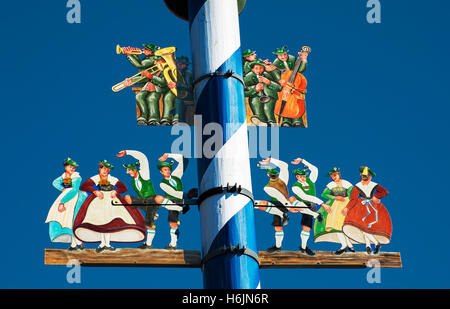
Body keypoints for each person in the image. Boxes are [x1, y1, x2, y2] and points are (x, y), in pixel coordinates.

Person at [73, 160, 146, 253]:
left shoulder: (112, 179)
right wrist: (95, 191)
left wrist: (116, 191)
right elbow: (84, 186)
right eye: (104, 169)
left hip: (111, 201)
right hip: (98, 201)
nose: (106, 171)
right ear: (100, 168)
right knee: (100, 221)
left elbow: (123, 188)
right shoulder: (95, 178)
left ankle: (107, 244)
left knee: (109, 222)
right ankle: (102, 243)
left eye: (108, 169)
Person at [117, 150, 166, 249]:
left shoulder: (144, 174)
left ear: (135, 169)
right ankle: (148, 242)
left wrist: (127, 152)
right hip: (144, 202)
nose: (128, 172)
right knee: (128, 198)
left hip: (152, 200)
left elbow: (143, 157)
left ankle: (148, 244)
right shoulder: (133, 183)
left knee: (150, 218)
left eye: (129, 170)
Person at [342, 167, 392, 255]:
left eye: (367, 177)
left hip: (373, 206)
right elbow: (353, 199)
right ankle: (371, 245)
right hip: (361, 207)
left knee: (366, 227)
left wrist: (376, 196)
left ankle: (370, 245)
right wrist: (347, 208)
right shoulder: (357, 186)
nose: (365, 179)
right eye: (363, 177)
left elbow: (384, 191)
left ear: (370, 177)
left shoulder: (373, 185)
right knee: (363, 226)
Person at [45, 158, 87, 250]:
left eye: (73, 167)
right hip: (66, 195)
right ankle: (77, 243)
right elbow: (55, 182)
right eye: (70, 167)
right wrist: (62, 189)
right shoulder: (64, 176)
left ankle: (75, 244)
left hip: (74, 198)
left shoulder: (76, 176)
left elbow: (74, 190)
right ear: (65, 167)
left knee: (71, 219)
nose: (72, 169)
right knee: (65, 220)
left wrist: (62, 202)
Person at [313, 168, 355, 255]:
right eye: (332, 176)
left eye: (335, 175)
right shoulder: (331, 185)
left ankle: (348, 245)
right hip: (335, 205)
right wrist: (335, 197)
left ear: (339, 174)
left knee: (343, 224)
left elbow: (352, 195)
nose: (333, 177)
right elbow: (324, 194)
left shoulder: (347, 184)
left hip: (345, 204)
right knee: (335, 225)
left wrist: (350, 207)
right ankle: (345, 245)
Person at [255, 157, 292, 252]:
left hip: (283, 204)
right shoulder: (270, 186)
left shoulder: (279, 182)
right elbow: (284, 166)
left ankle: (282, 214)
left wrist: (271, 160)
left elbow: (284, 166)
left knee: (258, 203)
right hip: (279, 205)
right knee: (278, 227)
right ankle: (278, 246)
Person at [289, 157, 324, 256]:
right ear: (297, 177)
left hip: (311, 204)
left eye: (304, 176)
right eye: (300, 176)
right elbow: (304, 196)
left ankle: (303, 247)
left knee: (306, 227)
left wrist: (303, 161)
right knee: (292, 199)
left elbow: (315, 169)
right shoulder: (295, 186)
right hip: (301, 203)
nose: (303, 178)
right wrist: (321, 203)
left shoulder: (310, 180)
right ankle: (315, 215)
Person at [122, 43, 161, 125]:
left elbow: (140, 64)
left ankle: (154, 118)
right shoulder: (147, 58)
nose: (143, 50)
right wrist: (133, 53)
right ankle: (144, 116)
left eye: (145, 49)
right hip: (147, 84)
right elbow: (140, 68)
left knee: (152, 98)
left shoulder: (153, 59)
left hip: (156, 85)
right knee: (139, 96)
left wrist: (129, 55)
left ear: (150, 51)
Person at [271, 46, 309, 127]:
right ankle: (285, 120)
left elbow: (300, 70)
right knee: (283, 99)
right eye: (280, 55)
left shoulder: (292, 58)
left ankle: (297, 120)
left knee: (294, 101)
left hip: (295, 81)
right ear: (277, 56)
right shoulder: (276, 62)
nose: (283, 56)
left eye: (284, 54)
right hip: (284, 83)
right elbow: (274, 71)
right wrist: (279, 80)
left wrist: (303, 60)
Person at [157, 153, 188, 250]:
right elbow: (173, 193)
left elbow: (184, 159)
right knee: (173, 223)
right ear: (161, 172)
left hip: (179, 200)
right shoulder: (162, 184)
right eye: (165, 170)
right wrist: (187, 196)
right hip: (172, 201)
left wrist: (168, 155)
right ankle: (173, 244)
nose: (167, 171)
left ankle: (181, 208)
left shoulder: (176, 176)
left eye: (168, 169)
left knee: (161, 201)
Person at [141, 56, 177, 126]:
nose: (154, 63)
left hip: (174, 90)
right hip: (163, 89)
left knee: (168, 98)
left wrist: (176, 84)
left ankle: (174, 119)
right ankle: (155, 119)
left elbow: (163, 82)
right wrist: (131, 81)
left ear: (162, 61)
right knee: (151, 97)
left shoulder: (170, 69)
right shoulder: (158, 69)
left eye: (156, 61)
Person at [244, 60, 282, 126]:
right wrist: (254, 90)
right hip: (255, 96)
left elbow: (279, 88)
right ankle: (261, 121)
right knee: (256, 107)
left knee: (267, 110)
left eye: (261, 68)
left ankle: (272, 123)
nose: (259, 70)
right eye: (256, 68)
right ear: (252, 69)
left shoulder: (267, 75)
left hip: (270, 96)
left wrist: (268, 82)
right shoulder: (248, 77)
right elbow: (243, 92)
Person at [175, 56, 194, 125]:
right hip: (182, 95)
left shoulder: (187, 73)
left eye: (181, 64)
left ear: (185, 65)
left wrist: (176, 85)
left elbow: (189, 87)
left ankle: (179, 120)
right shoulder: (179, 72)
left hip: (187, 95)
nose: (178, 65)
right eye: (178, 63)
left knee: (178, 102)